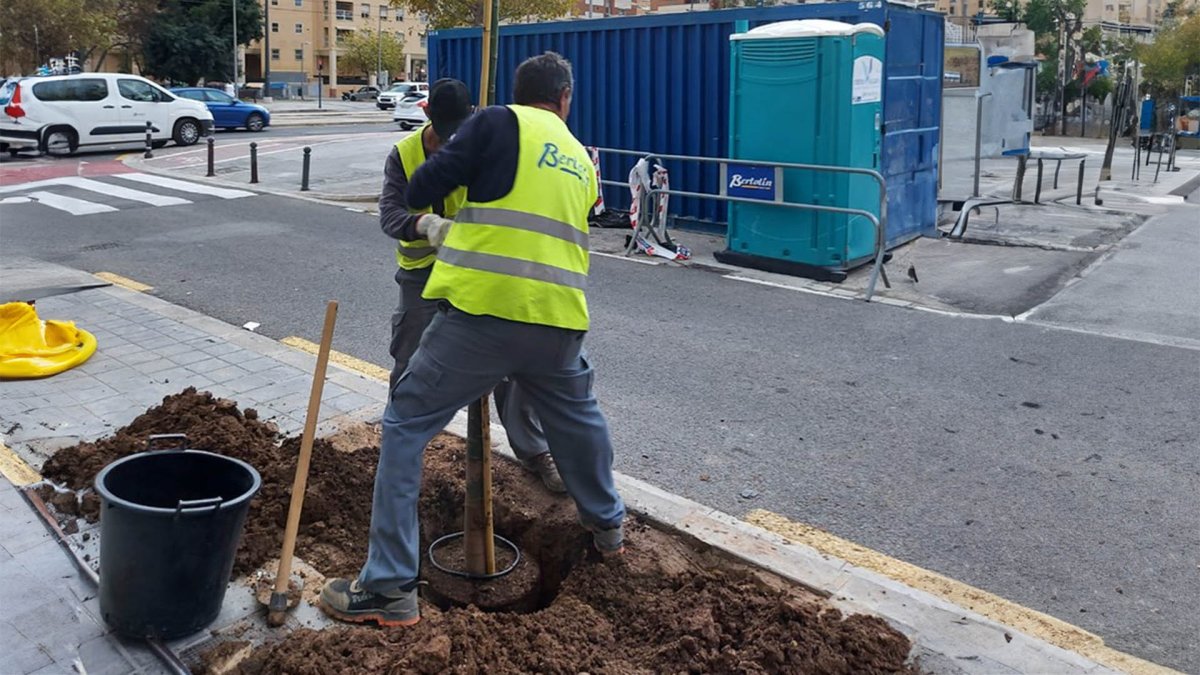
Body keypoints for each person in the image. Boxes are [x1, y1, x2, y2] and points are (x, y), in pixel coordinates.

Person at [321, 52, 625, 627]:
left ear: (517, 93)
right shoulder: (582, 158)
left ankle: (388, 589)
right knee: (580, 421)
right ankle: (609, 528)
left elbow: (424, 187)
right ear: (565, 98)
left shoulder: (496, 122)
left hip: (482, 314)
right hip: (558, 318)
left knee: (406, 423)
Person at [379, 77, 565, 493]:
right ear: (427, 116)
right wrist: (423, 224)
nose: (449, 143)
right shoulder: (404, 155)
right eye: (443, 133)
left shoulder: (481, 148)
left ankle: (535, 451)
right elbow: (389, 214)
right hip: (423, 276)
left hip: (477, 271)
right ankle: (400, 440)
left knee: (507, 362)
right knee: (410, 353)